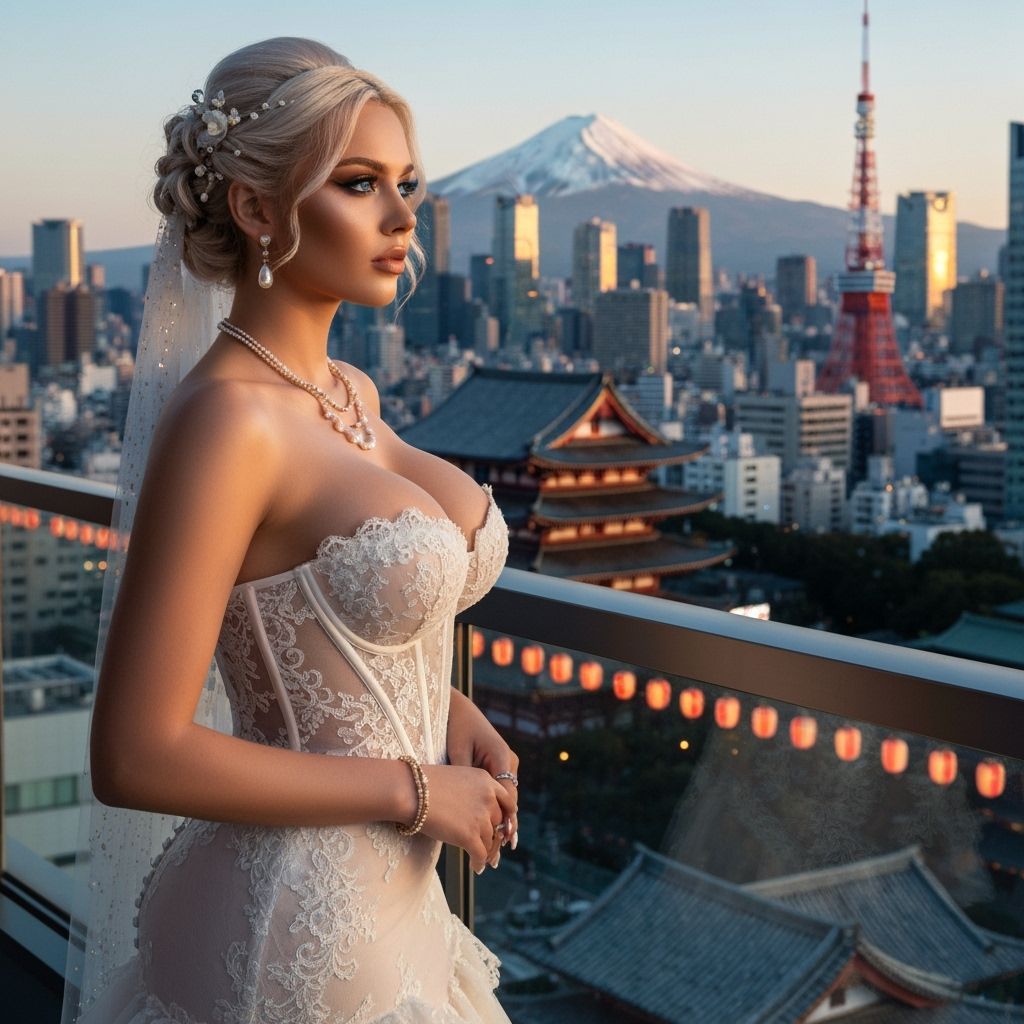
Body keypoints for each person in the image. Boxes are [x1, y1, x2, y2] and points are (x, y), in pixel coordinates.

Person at [59, 36, 519, 1024]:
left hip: (395, 905)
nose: (403, 217)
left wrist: (439, 708)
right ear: (257, 208)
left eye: (406, 182)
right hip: (290, 937)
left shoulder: (342, 391)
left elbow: (314, 627)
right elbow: (135, 753)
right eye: (358, 183)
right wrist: (411, 788)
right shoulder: (228, 421)